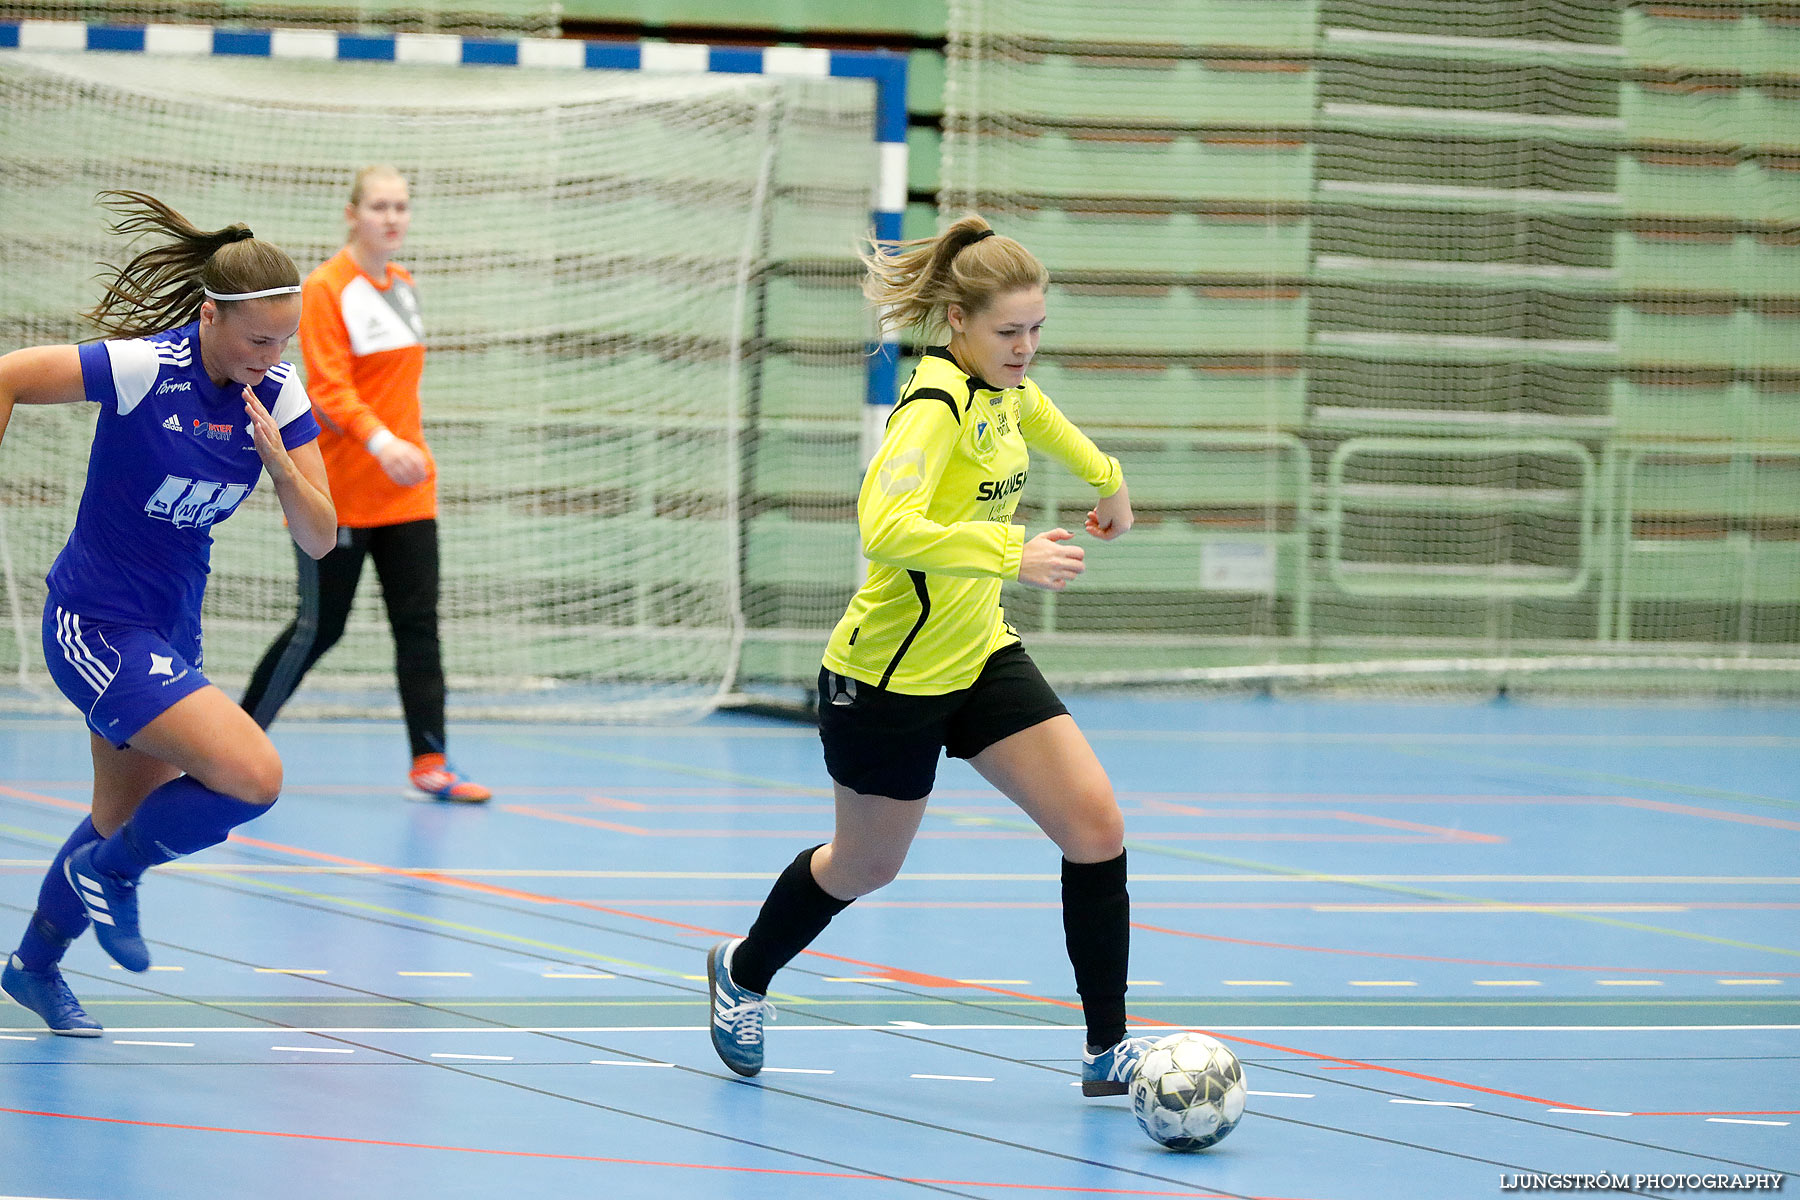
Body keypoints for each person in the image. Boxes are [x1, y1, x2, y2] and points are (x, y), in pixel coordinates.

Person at [706, 215, 1152, 1095]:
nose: (1025, 349)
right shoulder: (931, 409)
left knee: (1096, 827)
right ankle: (743, 972)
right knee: (866, 866)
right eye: (1008, 331)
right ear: (956, 319)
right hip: (887, 679)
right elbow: (887, 527)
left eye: (1036, 330)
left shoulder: (1005, 392)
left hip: (978, 654)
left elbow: (1044, 416)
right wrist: (1009, 551)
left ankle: (1108, 1049)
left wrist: (1110, 480)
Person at [0, 191, 335, 1035]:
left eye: (283, 340)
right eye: (257, 339)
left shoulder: (280, 397)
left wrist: (284, 469)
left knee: (120, 813)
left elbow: (322, 538)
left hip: (169, 628)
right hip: (96, 623)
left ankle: (33, 967)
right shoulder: (145, 367)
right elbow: (7, 374)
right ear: (209, 316)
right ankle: (109, 876)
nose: (271, 355)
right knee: (253, 777)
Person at [239, 166, 489, 803]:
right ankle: (234, 746)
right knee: (317, 628)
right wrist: (381, 442)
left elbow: (396, 389)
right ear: (353, 214)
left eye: (401, 206)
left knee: (419, 625)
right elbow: (327, 388)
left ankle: (430, 761)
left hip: (407, 494)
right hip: (340, 493)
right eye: (379, 206)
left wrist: (403, 450)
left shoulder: (403, 286)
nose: (392, 217)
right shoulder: (324, 288)